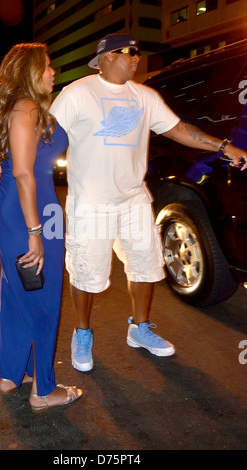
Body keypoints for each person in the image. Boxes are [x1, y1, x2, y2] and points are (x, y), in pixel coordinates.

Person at [50, 34, 247, 373]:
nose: (136, 57)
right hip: (91, 203)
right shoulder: (77, 93)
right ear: (106, 57)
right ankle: (82, 332)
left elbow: (178, 129)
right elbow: (49, 137)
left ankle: (139, 328)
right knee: (86, 273)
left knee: (146, 265)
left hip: (134, 198)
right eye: (128, 52)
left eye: (138, 52)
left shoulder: (145, 96)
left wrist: (223, 146)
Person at [0, 43, 82, 412]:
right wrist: (34, 233)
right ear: (30, 71)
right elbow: (24, 172)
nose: (53, 72)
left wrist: (11, 198)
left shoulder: (16, 108)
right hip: (33, 212)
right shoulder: (25, 107)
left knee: (16, 290)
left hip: (19, 207)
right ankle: (44, 389)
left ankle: (12, 374)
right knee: (44, 295)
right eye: (48, 67)